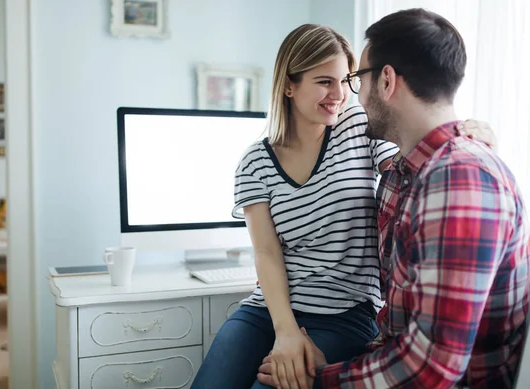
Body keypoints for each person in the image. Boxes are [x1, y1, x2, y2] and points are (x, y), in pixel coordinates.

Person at [191, 22, 496, 389]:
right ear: (289, 85)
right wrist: (285, 331)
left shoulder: (358, 125)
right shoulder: (255, 162)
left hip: (345, 314)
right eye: (324, 81)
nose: (339, 93)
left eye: (344, 80)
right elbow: (268, 253)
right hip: (270, 312)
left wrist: (466, 135)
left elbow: (409, 165)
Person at [257, 8, 530, 389]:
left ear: (385, 81)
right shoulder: (402, 174)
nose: (350, 96)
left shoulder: (460, 179)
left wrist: (320, 379)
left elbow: (429, 371)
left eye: (355, 79)